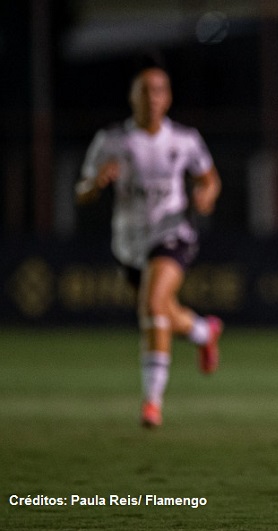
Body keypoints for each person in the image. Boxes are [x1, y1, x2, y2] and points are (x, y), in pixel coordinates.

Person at [75, 63, 224, 428]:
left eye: (159, 90)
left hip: (172, 234)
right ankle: (204, 331)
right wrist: (95, 183)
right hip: (128, 244)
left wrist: (205, 195)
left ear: (168, 97)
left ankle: (152, 402)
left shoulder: (184, 139)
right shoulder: (110, 141)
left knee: (153, 305)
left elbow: (210, 179)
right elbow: (81, 191)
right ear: (132, 97)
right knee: (163, 313)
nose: (152, 97)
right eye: (145, 90)